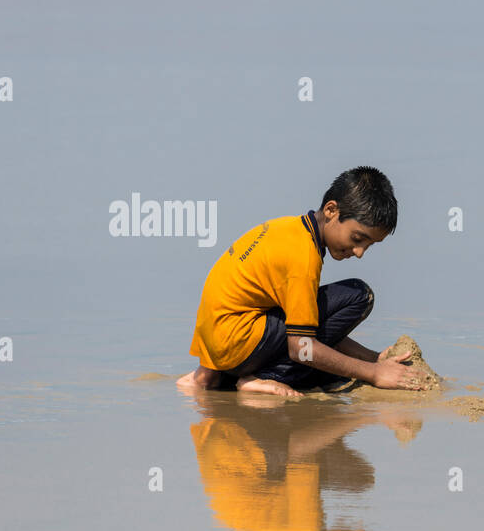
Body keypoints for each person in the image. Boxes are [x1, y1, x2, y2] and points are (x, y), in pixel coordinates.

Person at [177, 166, 426, 397]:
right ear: (331, 210)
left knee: (329, 360)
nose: (359, 252)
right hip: (236, 343)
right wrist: (373, 373)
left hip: (217, 343)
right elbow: (301, 347)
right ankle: (259, 379)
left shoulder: (290, 229)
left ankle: (210, 376)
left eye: (369, 245)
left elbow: (311, 322)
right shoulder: (303, 258)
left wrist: (373, 358)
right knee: (359, 295)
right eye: (357, 238)